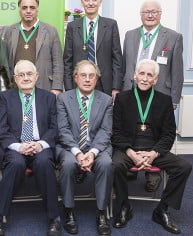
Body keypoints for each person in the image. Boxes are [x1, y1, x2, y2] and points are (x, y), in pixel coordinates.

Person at [112, 59, 192, 234]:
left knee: (184, 167)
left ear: (156, 80)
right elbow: (116, 132)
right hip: (128, 148)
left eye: (150, 75)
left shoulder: (164, 100)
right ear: (134, 76)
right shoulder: (122, 98)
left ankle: (162, 209)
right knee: (115, 165)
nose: (145, 78)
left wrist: (154, 153)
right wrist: (131, 153)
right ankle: (124, 207)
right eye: (142, 73)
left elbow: (169, 134)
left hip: (155, 149)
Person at [0, 60, 61, 236]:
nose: (26, 78)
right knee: (16, 164)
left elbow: (55, 128)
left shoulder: (49, 97)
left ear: (37, 76)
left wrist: (40, 144)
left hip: (41, 145)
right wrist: (18, 146)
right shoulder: (6, 97)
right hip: (16, 147)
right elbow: (1, 129)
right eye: (21, 75)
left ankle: (54, 218)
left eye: (29, 74)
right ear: (14, 78)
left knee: (44, 162)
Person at [121, 0, 184, 191]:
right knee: (131, 128)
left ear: (160, 14)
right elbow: (126, 66)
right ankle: (131, 166)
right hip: (131, 93)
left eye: (154, 12)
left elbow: (177, 71)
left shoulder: (173, 37)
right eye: (146, 12)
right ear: (141, 15)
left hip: (160, 94)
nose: (150, 15)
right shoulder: (130, 35)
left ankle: (152, 174)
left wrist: (174, 99)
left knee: (155, 134)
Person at [56, 60, 113, 236]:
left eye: (91, 76)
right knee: (67, 164)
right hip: (70, 147)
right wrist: (79, 153)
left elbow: (105, 131)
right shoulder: (63, 98)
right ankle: (69, 210)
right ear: (75, 78)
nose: (87, 79)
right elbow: (63, 130)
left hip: (97, 147)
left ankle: (101, 212)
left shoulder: (106, 100)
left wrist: (92, 153)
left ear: (96, 79)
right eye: (83, 75)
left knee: (106, 164)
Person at [0, 0, 64, 95]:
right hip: (16, 88)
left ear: (37, 10)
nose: (28, 11)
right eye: (24, 8)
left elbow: (58, 62)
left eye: (32, 7)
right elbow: (5, 62)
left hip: (44, 86)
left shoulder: (51, 31)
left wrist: (57, 88)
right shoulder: (10, 31)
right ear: (19, 10)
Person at [63, 0, 122, 101]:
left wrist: (116, 87)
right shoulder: (72, 27)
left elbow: (117, 59)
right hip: (79, 83)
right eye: (86, 0)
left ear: (100, 2)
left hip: (104, 83)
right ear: (82, 3)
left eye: (94, 0)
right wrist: (69, 89)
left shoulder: (111, 25)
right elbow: (67, 60)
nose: (90, 3)